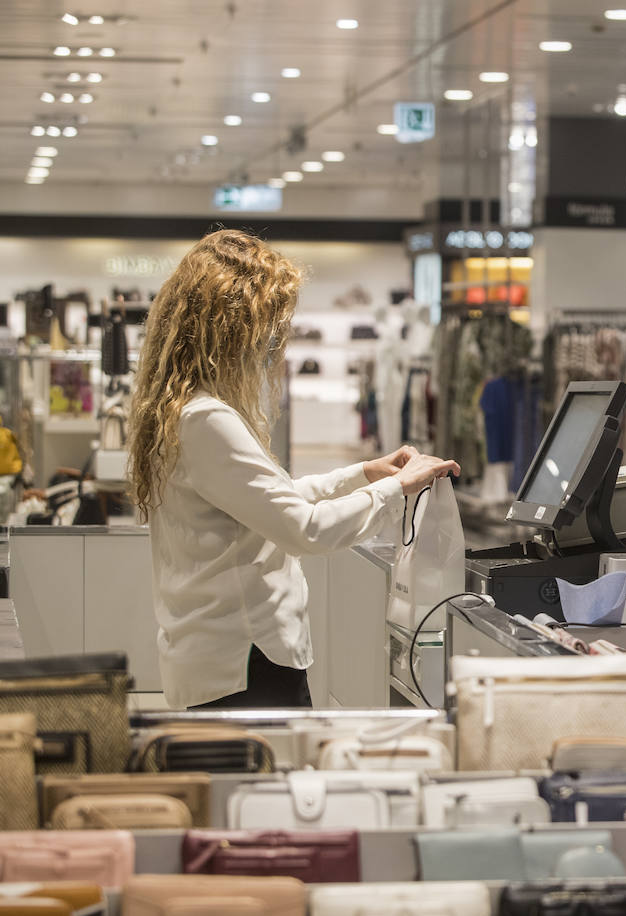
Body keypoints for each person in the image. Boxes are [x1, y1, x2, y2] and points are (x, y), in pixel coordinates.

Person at [128, 229, 458, 710]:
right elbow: (303, 530)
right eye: (267, 325)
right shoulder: (206, 419)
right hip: (243, 665)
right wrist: (394, 490)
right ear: (231, 325)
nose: (272, 344)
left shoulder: (185, 410)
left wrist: (363, 474)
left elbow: (267, 499)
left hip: (226, 658)